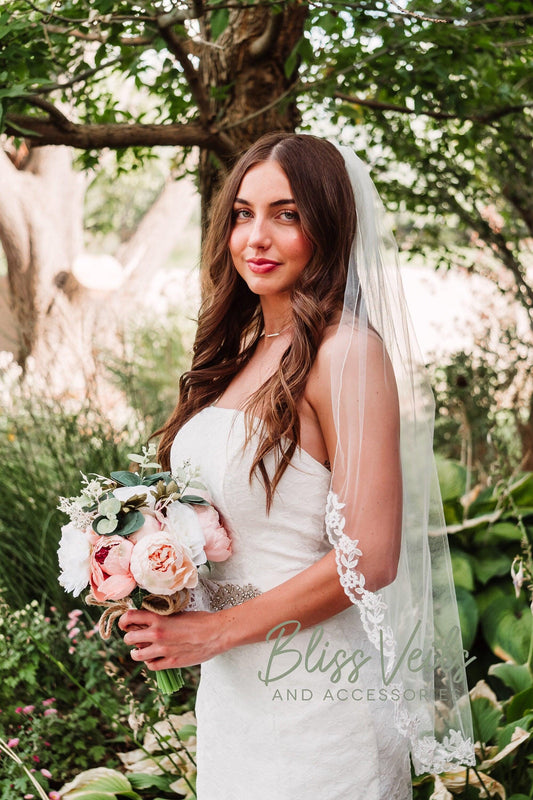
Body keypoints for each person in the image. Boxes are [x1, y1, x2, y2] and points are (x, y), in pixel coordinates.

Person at [119, 133, 474, 799]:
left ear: (329, 226)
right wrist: (148, 577)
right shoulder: (245, 350)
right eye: (242, 214)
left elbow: (369, 559)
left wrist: (212, 631)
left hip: (317, 707)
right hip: (234, 700)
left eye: (286, 214)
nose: (256, 236)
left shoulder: (346, 354)